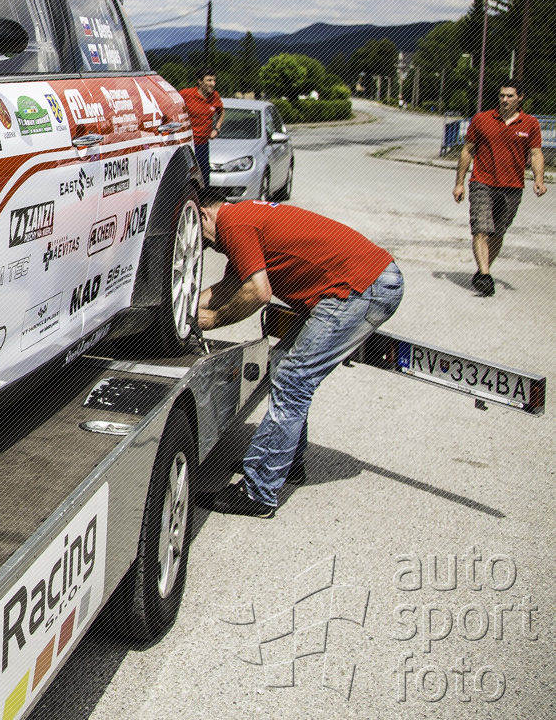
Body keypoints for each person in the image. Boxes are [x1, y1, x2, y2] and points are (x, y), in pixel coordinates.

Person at [193, 190, 404, 518]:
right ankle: (284, 461)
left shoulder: (233, 222)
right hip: (362, 284)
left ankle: (259, 492)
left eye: (200, 236)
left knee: (293, 380)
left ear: (205, 213)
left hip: (362, 288)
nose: (205, 246)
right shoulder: (244, 219)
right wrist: (185, 308)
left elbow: (258, 292)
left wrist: (212, 320)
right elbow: (230, 286)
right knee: (282, 364)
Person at [452, 81, 546, 296]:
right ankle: (485, 276)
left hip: (513, 186)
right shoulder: (482, 119)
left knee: (497, 232)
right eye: (502, 95)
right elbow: (467, 150)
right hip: (482, 182)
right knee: (481, 228)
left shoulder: (530, 123)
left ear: (520, 97)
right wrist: (459, 183)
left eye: (510, 96)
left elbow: (535, 154)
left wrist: (539, 179)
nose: (504, 100)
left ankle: (482, 270)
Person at [180, 71, 224, 186]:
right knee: (187, 181)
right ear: (199, 81)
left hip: (203, 145)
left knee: (204, 182)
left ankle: (203, 197)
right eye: (209, 80)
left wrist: (217, 129)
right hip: (188, 145)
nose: (213, 83)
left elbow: (221, 112)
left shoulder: (214, 96)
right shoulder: (186, 94)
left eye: (214, 80)